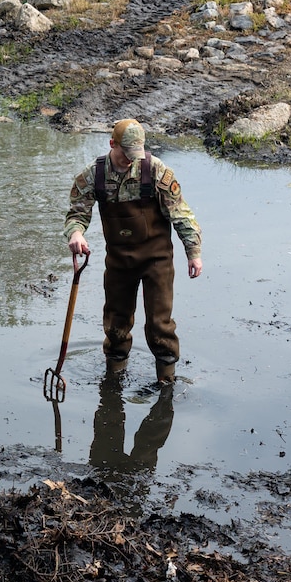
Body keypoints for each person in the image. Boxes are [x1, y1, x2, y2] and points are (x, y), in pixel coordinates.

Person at [65, 118, 203, 384]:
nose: (131, 160)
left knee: (159, 327)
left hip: (157, 261)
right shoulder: (95, 174)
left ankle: (166, 383)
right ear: (112, 144)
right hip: (118, 262)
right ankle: (114, 380)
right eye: (126, 154)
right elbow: (77, 213)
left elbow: (182, 215)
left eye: (135, 154)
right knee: (116, 325)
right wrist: (76, 233)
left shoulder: (156, 170)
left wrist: (193, 252)